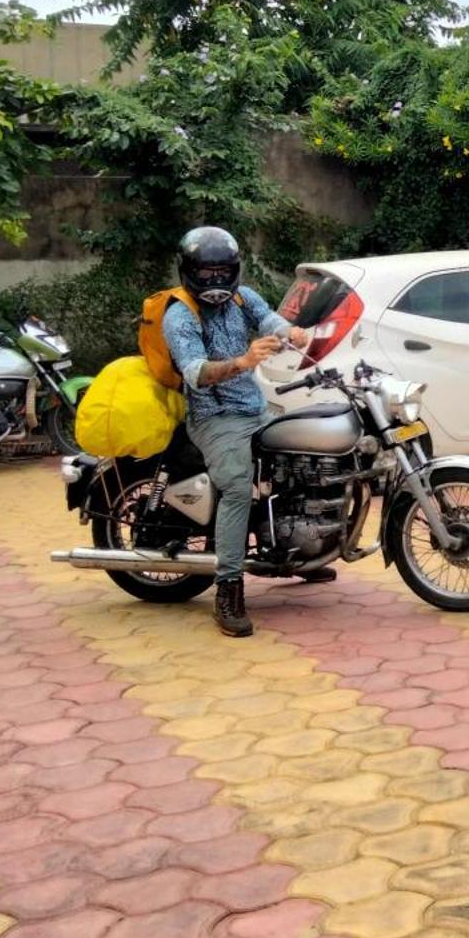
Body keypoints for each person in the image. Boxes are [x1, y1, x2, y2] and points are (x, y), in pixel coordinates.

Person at [161, 226, 317, 638]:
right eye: (206, 272)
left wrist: (290, 332)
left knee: (301, 459)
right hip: (213, 418)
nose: (214, 280)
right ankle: (228, 589)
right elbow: (194, 372)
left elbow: (267, 318)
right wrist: (244, 361)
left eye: (221, 271)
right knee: (236, 484)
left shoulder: (241, 297)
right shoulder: (180, 314)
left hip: (254, 409)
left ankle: (303, 555)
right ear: (189, 271)